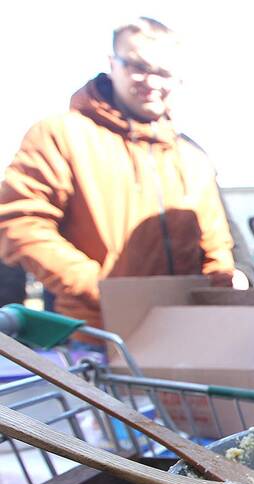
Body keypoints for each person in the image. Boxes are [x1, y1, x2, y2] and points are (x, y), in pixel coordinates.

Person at [0, 17, 235, 329]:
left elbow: (216, 249)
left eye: (163, 72)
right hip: (94, 337)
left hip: (182, 336)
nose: (152, 81)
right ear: (113, 64)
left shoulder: (191, 158)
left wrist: (222, 307)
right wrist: (100, 287)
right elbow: (21, 223)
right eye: (138, 66)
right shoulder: (61, 135)